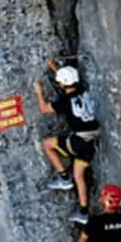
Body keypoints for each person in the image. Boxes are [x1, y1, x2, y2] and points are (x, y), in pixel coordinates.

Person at [35, 61, 100, 225]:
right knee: (79, 175)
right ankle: (83, 212)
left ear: (62, 84)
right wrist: (56, 68)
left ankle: (63, 177)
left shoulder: (64, 101)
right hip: (91, 140)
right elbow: (67, 81)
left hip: (79, 139)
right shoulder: (81, 91)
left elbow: (44, 109)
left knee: (47, 144)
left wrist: (39, 91)